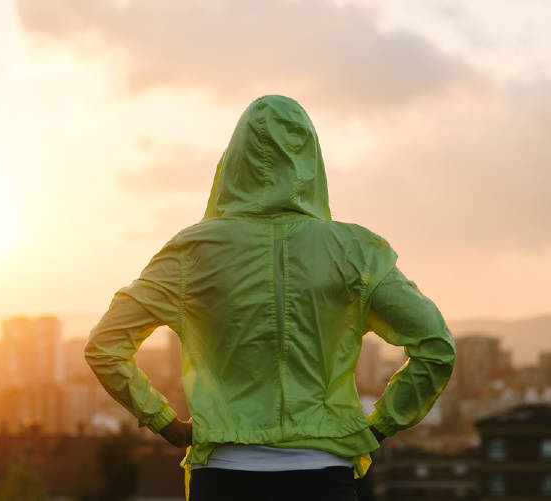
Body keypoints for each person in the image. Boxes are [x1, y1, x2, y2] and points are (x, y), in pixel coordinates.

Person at [85, 95, 456, 500]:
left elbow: (106, 346)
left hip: (225, 476)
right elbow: (436, 348)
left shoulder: (194, 251)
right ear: (311, 161)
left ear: (233, 162)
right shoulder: (354, 252)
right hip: (325, 476)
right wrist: (379, 426)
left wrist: (164, 422)